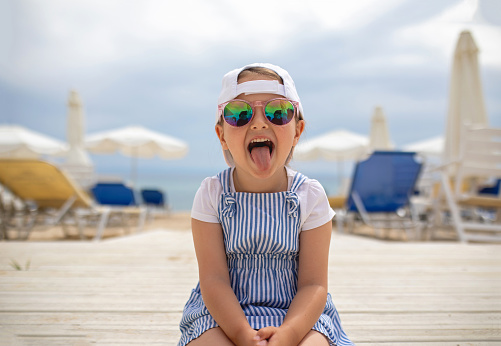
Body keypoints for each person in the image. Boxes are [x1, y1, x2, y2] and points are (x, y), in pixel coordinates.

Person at [178, 63, 353, 346]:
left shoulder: (310, 196)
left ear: (297, 131)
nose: (259, 123)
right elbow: (213, 280)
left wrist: (290, 334)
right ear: (222, 135)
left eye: (278, 112)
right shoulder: (212, 194)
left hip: (298, 312)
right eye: (239, 114)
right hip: (223, 313)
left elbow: (314, 285)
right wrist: (241, 334)